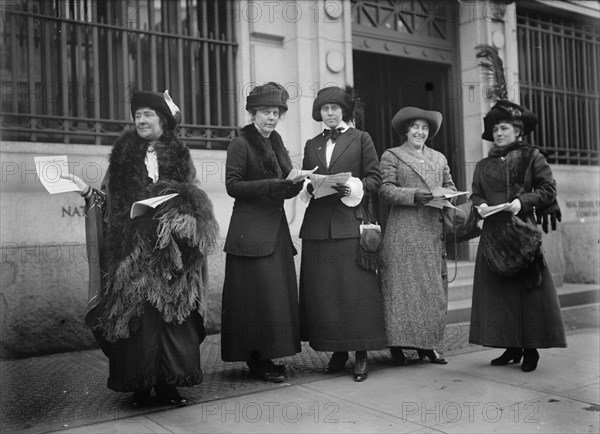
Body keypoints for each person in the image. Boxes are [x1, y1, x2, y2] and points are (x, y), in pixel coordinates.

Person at [63, 90, 219, 407]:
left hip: (171, 253)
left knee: (173, 321)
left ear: (162, 119)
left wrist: (176, 219)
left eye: (148, 114)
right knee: (138, 323)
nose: (142, 120)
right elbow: (107, 202)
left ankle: (169, 386)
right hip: (132, 254)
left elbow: (197, 202)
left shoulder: (179, 155)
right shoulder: (122, 156)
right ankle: (140, 385)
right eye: (137, 115)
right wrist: (86, 192)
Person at [468, 100, 567, 372]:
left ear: (517, 130)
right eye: (495, 129)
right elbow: (476, 192)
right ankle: (510, 347)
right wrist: (480, 205)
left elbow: (548, 189)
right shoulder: (483, 164)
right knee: (499, 293)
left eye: (504, 128)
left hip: (522, 231)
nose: (498, 133)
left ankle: (531, 349)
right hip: (493, 233)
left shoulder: (532, 156)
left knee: (528, 292)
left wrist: (523, 201)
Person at [298, 86, 386, 382]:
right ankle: (337, 350)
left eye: (335, 108)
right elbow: (305, 178)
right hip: (319, 227)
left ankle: (361, 353)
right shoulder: (311, 144)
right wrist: (309, 187)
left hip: (350, 223)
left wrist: (355, 187)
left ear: (345, 111)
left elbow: (375, 178)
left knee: (355, 293)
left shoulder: (361, 139)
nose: (330, 113)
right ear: (319, 113)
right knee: (326, 293)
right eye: (325, 109)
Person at [221, 82, 303, 383]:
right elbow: (233, 186)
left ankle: (269, 356)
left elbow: (284, 188)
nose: (272, 118)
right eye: (266, 112)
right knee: (254, 300)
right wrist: (274, 185)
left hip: (275, 231)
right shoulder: (240, 143)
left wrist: (298, 183)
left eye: (276, 113)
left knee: (274, 298)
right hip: (249, 233)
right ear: (253, 114)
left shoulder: (276, 142)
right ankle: (257, 361)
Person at [379, 107, 455, 366]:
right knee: (399, 288)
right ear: (406, 130)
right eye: (415, 127)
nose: (420, 132)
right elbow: (385, 190)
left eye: (424, 128)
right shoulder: (392, 156)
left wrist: (446, 196)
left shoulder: (439, 158)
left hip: (431, 230)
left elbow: (451, 187)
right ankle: (397, 345)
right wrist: (413, 195)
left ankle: (428, 345)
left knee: (431, 289)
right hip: (403, 229)